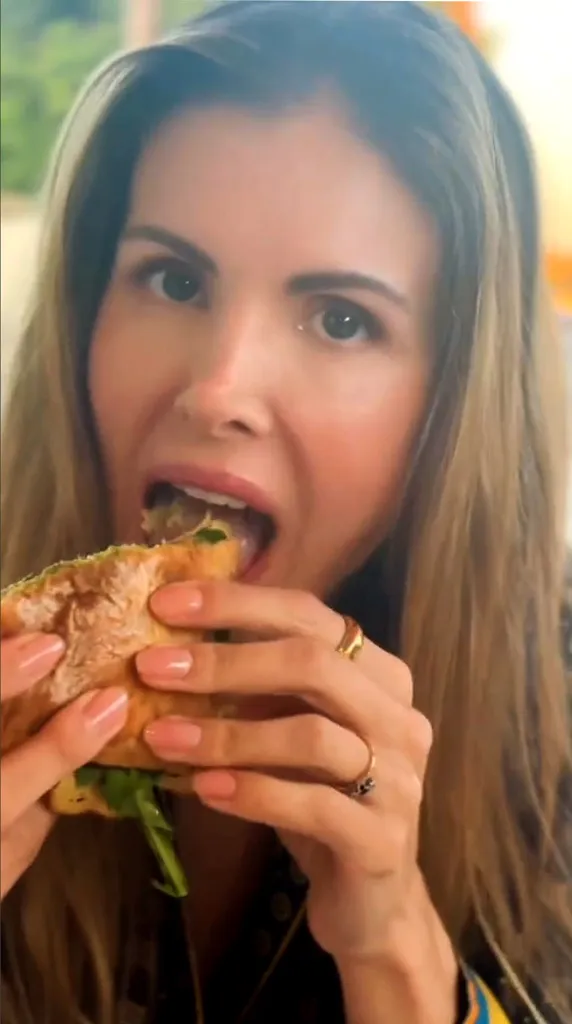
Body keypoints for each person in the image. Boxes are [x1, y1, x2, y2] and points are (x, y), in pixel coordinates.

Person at [1, 2, 570, 1022]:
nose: (217, 386)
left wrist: (396, 951)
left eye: (342, 319)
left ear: (450, 404)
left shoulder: (554, 706)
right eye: (171, 279)